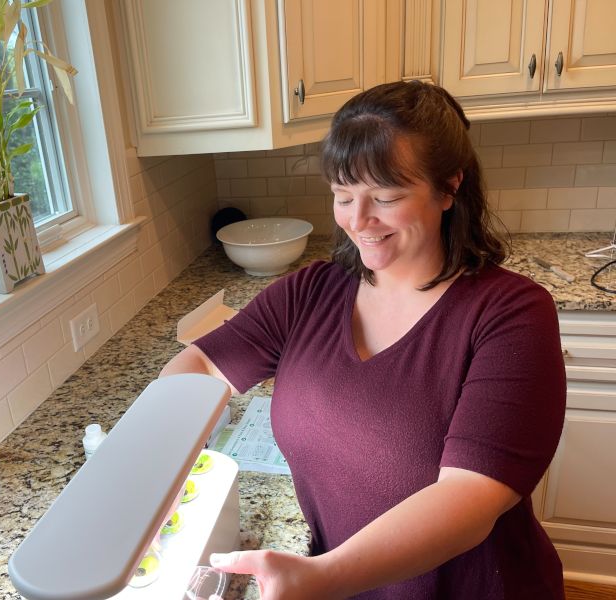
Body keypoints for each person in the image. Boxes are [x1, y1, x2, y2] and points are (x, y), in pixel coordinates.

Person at [160, 80, 567, 599]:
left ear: (449, 188)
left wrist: (324, 577)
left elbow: (469, 499)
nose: (358, 221)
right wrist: (159, 464)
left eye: (386, 197)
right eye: (343, 196)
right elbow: (197, 367)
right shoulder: (310, 291)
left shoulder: (511, 314)